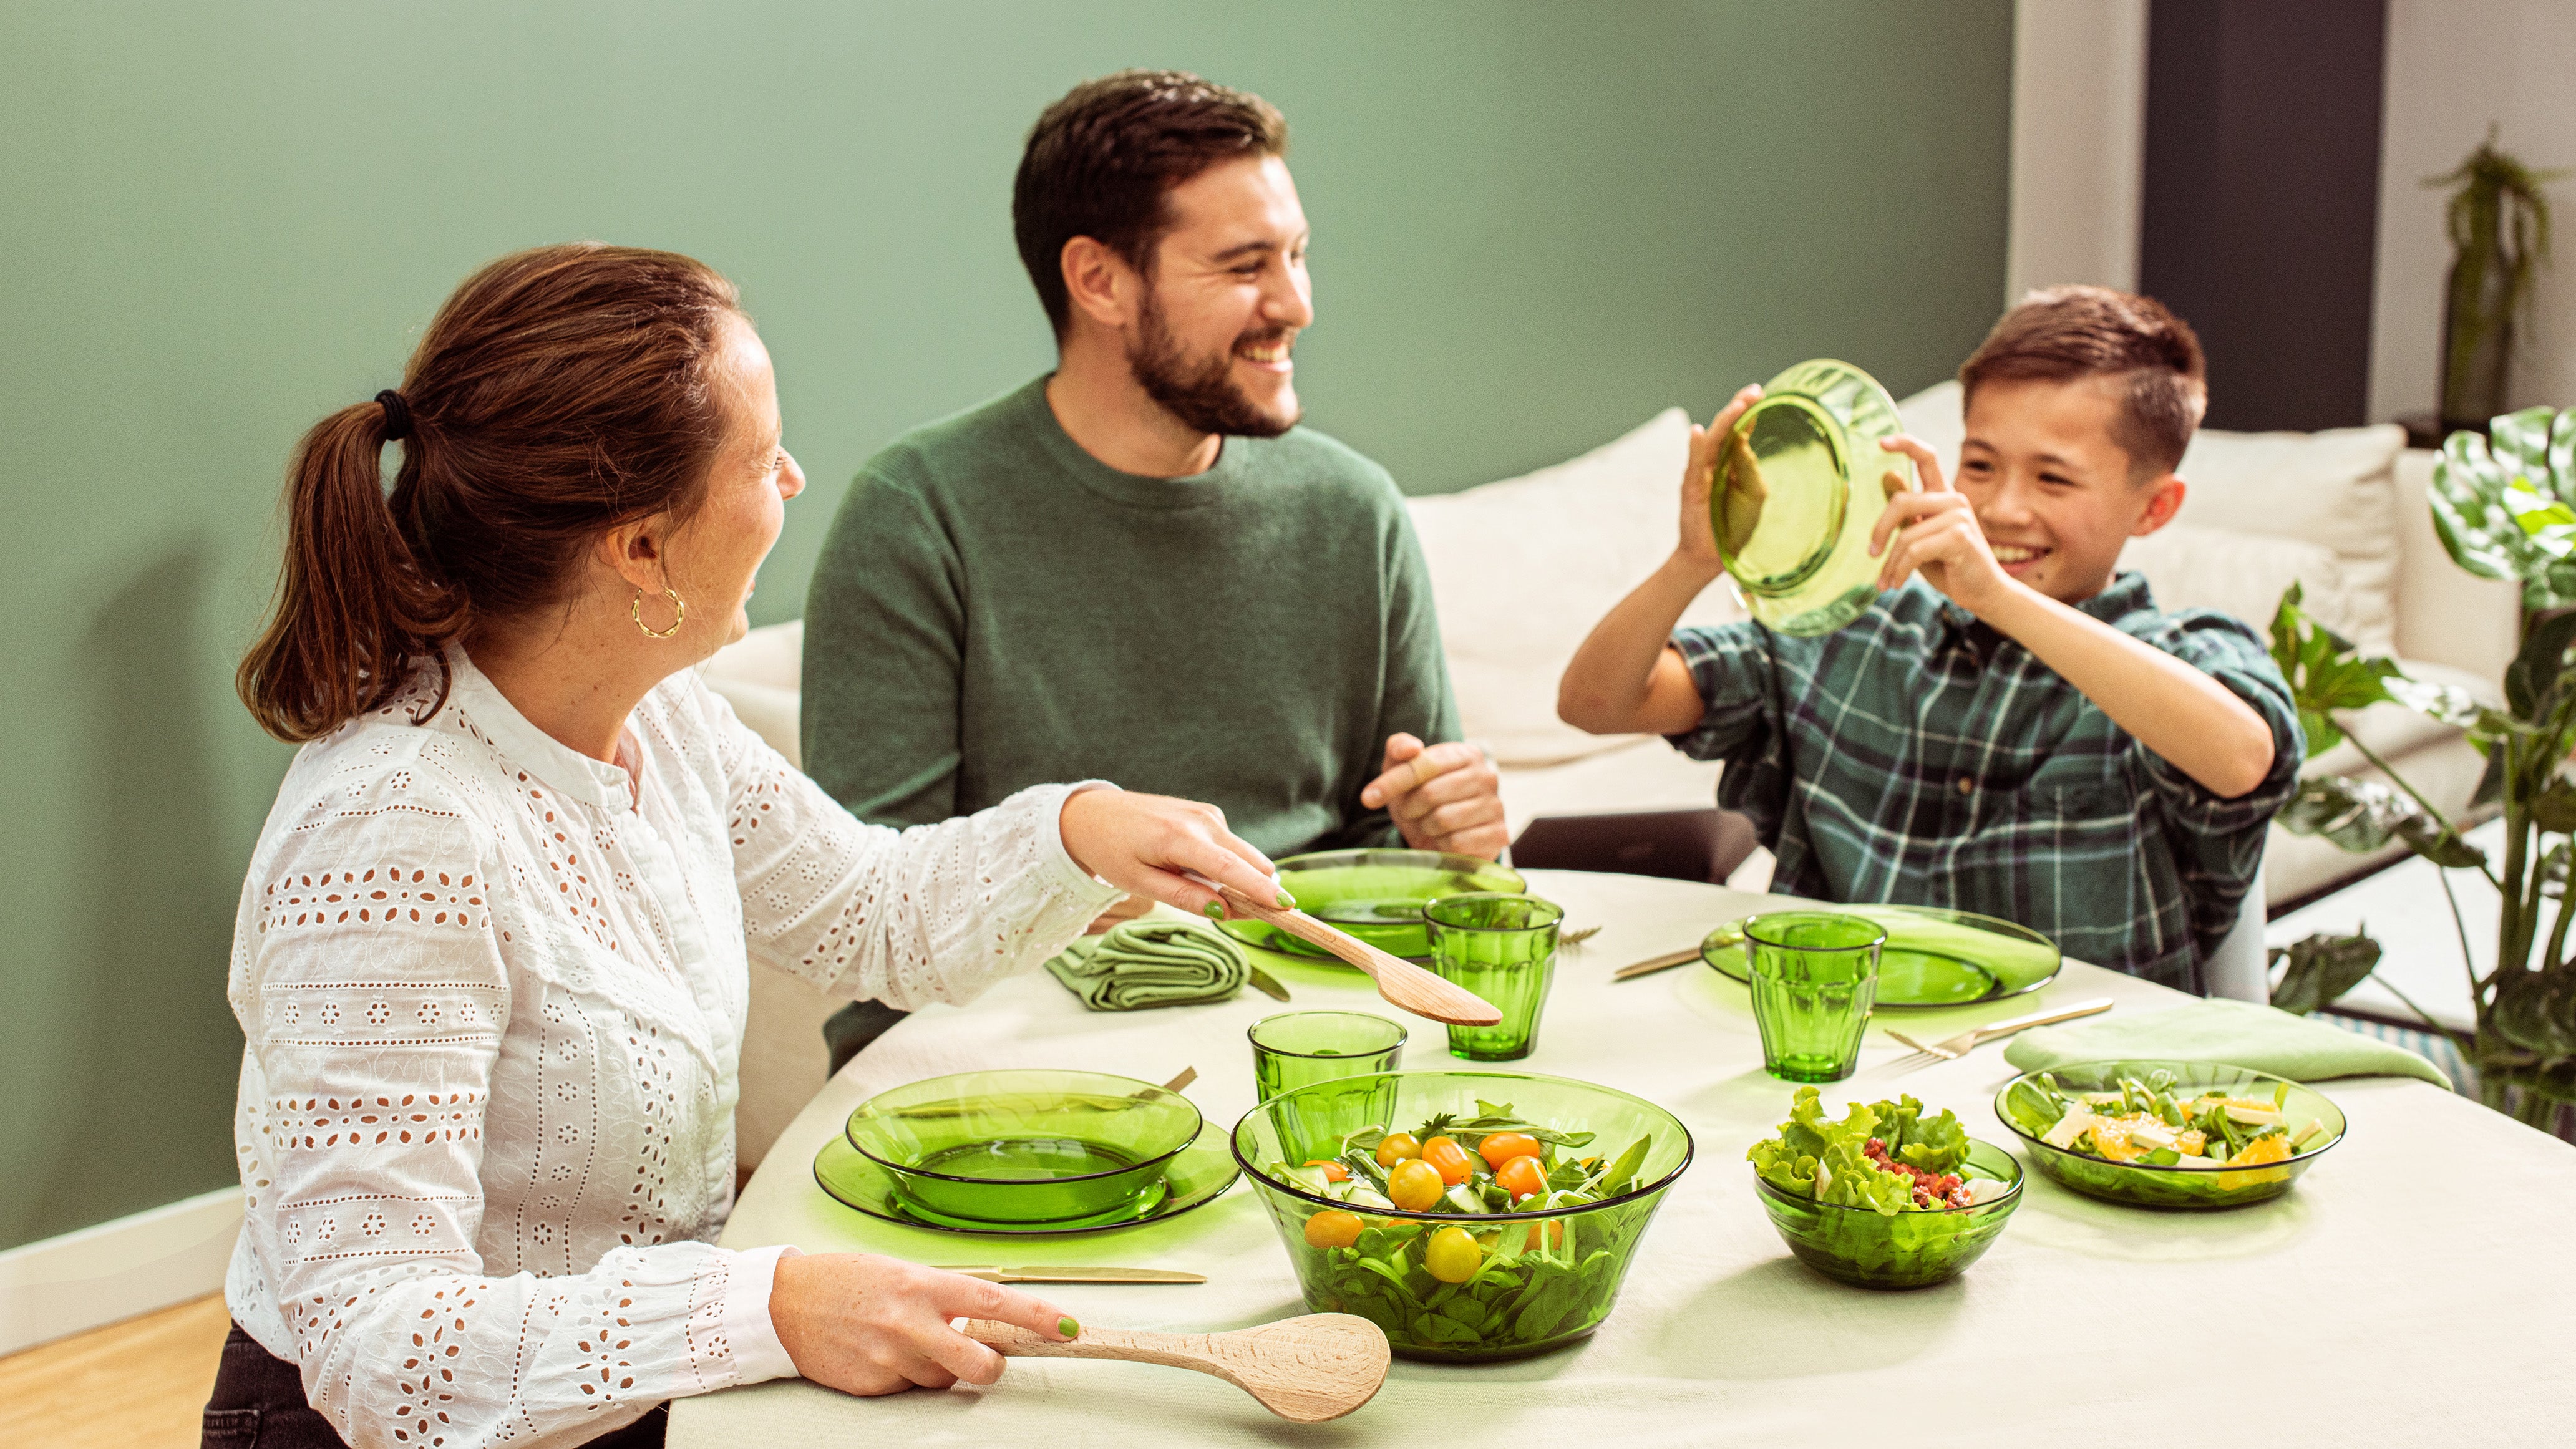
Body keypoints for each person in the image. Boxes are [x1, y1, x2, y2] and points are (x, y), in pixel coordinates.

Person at [208, 243, 1287, 1449]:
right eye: (758, 458)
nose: (792, 473)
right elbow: (377, 1345)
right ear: (640, 548)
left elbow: (869, 909)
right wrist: (762, 1300)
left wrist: (1079, 829)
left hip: (623, 1399)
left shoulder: (657, 717)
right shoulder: (394, 829)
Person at [801, 70, 1503, 1068]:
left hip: (1310, 1047)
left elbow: (1393, 857)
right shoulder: (918, 515)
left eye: (1298, 255)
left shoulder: (1353, 507)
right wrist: (1078, 870)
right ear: (1099, 281)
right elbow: (868, 906)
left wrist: (1456, 840)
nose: (1296, 303)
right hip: (999, 1075)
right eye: (1243, 265)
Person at [1557, 286, 2301, 992]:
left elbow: (2241, 757)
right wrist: (1694, 559)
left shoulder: (2180, 651)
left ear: (2154, 508)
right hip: (1842, 1055)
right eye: (1979, 464)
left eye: (2053, 479)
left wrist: (2000, 600)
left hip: (2075, 1086)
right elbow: (1596, 702)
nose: (2003, 507)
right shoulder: (1853, 624)